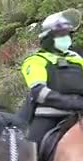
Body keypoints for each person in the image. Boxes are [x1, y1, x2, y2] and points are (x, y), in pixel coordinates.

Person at [21, 9, 83, 146]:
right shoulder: (35, 61)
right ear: (49, 38)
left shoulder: (77, 59)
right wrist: (73, 102)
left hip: (80, 114)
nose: (67, 39)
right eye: (62, 35)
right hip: (49, 117)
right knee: (31, 150)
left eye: (68, 35)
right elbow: (39, 92)